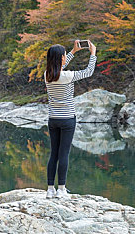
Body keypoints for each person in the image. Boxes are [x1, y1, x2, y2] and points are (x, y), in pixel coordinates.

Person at [44, 39, 97, 199]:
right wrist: (93, 54)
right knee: (64, 154)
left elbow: (59, 67)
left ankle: (49, 190)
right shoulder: (67, 76)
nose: (66, 57)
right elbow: (88, 72)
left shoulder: (47, 75)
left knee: (54, 154)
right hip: (67, 119)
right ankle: (61, 189)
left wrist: (73, 52)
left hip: (53, 119)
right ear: (61, 58)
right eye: (65, 56)